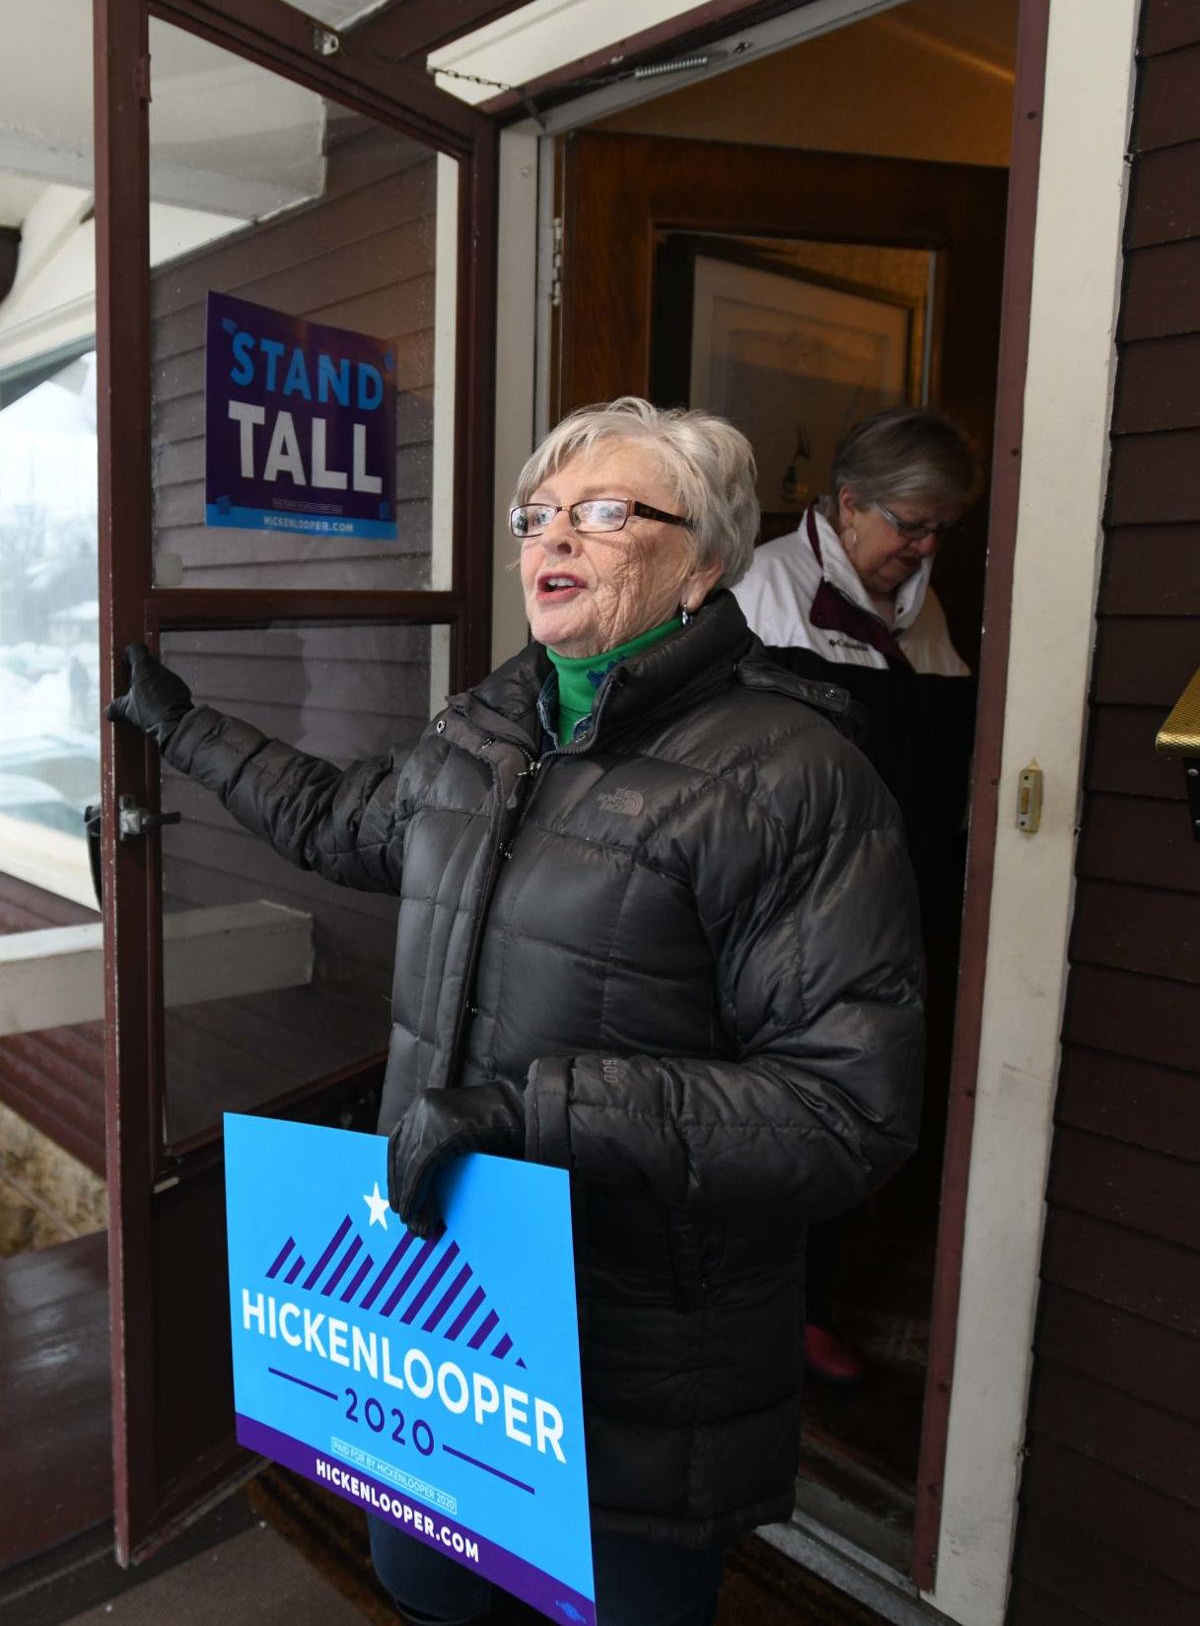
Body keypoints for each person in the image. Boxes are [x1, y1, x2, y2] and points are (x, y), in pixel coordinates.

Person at [108, 397, 923, 1626]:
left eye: (605, 511)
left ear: (706, 558)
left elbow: (845, 1108)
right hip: (448, 1343)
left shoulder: (789, 776)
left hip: (639, 1378)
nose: (555, 534)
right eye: (540, 512)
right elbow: (337, 821)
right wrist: (180, 728)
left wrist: (526, 1111)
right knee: (428, 1594)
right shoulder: (487, 730)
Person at [733, 404, 978, 1387]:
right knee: (782, 1112)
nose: (921, 548)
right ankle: (771, 1314)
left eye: (936, 530)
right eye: (909, 525)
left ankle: (812, 1300)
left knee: (861, 1100)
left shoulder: (924, 605)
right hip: (790, 912)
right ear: (846, 504)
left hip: (897, 900)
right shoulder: (765, 591)